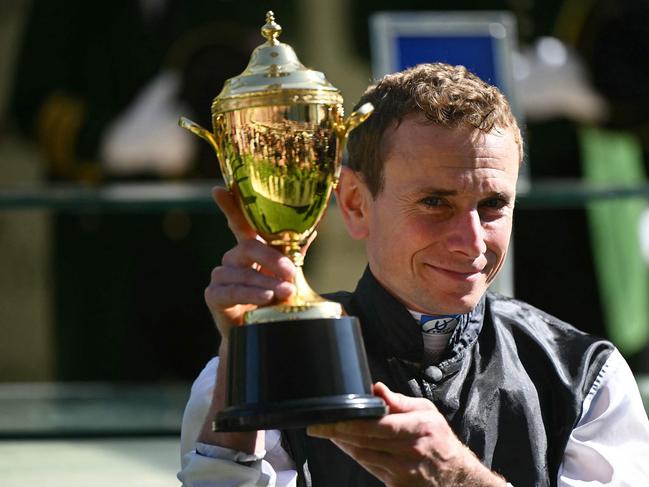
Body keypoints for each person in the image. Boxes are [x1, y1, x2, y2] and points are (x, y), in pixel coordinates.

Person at [177, 63, 649, 486]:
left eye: (492, 206)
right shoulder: (261, 362)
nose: (473, 241)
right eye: (435, 203)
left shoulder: (585, 372)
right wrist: (242, 357)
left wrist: (456, 478)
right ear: (355, 204)